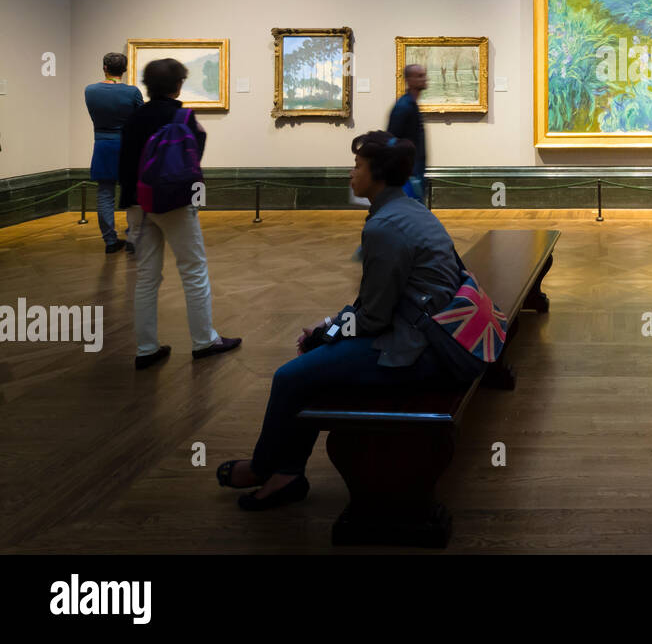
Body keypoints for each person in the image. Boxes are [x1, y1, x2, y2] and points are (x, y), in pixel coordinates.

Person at [215, 130, 488, 510]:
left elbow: (374, 319)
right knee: (312, 371)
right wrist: (330, 327)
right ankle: (285, 474)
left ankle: (267, 468)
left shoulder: (384, 227)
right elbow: (377, 304)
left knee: (290, 377)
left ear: (377, 174)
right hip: (432, 331)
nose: (351, 172)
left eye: (357, 165)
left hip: (418, 350)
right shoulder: (410, 210)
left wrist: (325, 334)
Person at [118, 58, 241, 371]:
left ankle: (146, 349)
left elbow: (125, 164)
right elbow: (192, 160)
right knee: (193, 270)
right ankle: (204, 341)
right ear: (178, 85)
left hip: (138, 203)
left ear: (147, 84)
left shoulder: (134, 118)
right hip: (174, 202)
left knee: (146, 276)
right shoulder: (182, 116)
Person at [84, 52, 143, 254]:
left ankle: (110, 240)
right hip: (128, 147)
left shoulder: (90, 91)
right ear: (124, 70)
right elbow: (140, 119)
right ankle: (132, 237)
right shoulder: (132, 92)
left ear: (104, 68)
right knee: (132, 193)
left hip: (102, 145)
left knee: (105, 194)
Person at [387, 64, 428, 202]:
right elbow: (392, 140)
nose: (425, 79)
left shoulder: (411, 105)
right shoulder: (403, 107)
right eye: (420, 76)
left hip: (414, 170)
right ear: (409, 80)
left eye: (424, 75)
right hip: (408, 174)